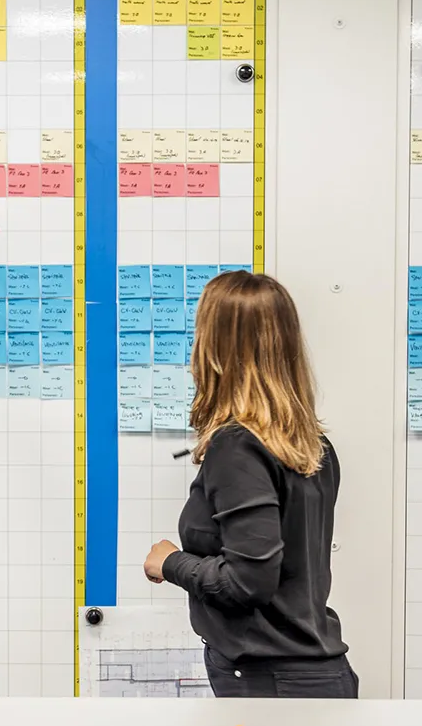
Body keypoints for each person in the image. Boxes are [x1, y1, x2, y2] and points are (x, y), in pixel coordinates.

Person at [142, 271, 356, 699]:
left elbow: (248, 581)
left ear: (215, 349)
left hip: (274, 685)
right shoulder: (312, 445)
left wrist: (170, 562)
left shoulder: (238, 447)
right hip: (307, 677)